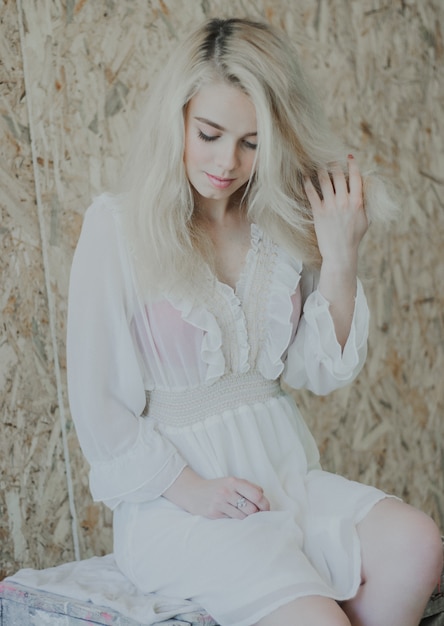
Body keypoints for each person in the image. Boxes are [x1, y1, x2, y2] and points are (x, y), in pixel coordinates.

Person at [67, 17, 442, 626]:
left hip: (285, 477)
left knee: (418, 543)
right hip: (180, 508)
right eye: (210, 133)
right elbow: (98, 407)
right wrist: (192, 489)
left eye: (251, 142)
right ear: (179, 119)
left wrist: (341, 253)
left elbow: (320, 373)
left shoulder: (280, 223)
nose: (227, 162)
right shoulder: (117, 227)